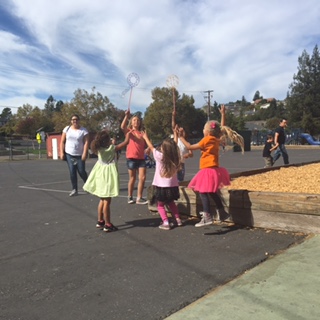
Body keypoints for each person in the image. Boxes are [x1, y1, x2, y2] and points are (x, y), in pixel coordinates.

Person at [178, 105, 244, 227]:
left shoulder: (206, 139)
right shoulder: (215, 138)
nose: (203, 130)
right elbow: (221, 129)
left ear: (207, 131)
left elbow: (189, 147)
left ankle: (207, 215)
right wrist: (223, 115)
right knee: (212, 192)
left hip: (207, 170)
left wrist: (180, 137)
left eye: (204, 128)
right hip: (215, 169)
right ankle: (222, 212)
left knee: (203, 192)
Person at [83, 129, 130, 232]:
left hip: (99, 174)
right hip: (107, 176)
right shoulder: (112, 149)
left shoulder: (98, 149)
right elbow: (125, 143)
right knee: (107, 202)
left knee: (102, 199)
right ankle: (108, 224)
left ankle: (100, 221)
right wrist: (128, 134)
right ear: (106, 141)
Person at [141, 130, 182, 230]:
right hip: (172, 187)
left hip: (161, 187)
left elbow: (151, 147)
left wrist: (145, 137)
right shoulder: (175, 158)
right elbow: (174, 146)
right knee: (171, 203)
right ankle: (178, 219)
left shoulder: (160, 157)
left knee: (160, 205)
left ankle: (166, 221)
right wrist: (176, 135)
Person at [121, 110, 148, 205]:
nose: (136, 122)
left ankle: (139, 197)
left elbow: (145, 144)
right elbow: (122, 126)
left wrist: (147, 149)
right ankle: (130, 196)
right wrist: (126, 116)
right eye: (134, 120)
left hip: (141, 158)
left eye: (138, 120)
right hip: (131, 158)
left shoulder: (142, 133)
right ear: (131, 122)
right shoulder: (129, 131)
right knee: (132, 178)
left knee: (143, 177)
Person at [60, 114, 89, 197]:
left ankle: (88, 185)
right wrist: (61, 153)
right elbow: (62, 141)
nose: (75, 121)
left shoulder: (83, 130)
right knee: (72, 171)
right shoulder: (67, 129)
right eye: (73, 120)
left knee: (81, 171)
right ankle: (74, 189)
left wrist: (84, 153)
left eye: (76, 119)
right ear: (71, 121)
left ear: (79, 120)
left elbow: (86, 142)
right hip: (69, 153)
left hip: (79, 154)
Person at [171, 110, 193, 183]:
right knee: (173, 180)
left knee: (180, 180)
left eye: (182, 131)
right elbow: (173, 126)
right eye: (179, 131)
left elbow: (191, 153)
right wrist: (173, 116)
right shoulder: (176, 138)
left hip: (182, 163)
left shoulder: (186, 142)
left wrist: (188, 154)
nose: (180, 132)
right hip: (174, 162)